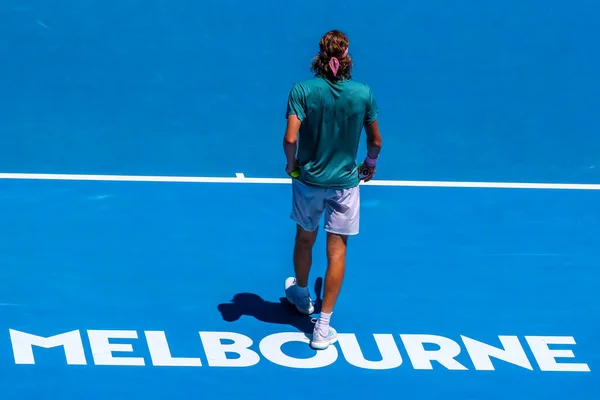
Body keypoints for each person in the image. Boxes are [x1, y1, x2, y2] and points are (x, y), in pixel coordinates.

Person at [282, 30, 383, 350]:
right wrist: (369, 163)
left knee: (304, 238)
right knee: (336, 251)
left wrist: (292, 165)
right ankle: (322, 327)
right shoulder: (363, 93)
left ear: (320, 56)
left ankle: (300, 294)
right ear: (347, 55)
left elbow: (290, 139)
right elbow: (376, 141)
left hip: (308, 181)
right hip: (345, 186)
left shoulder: (302, 90)